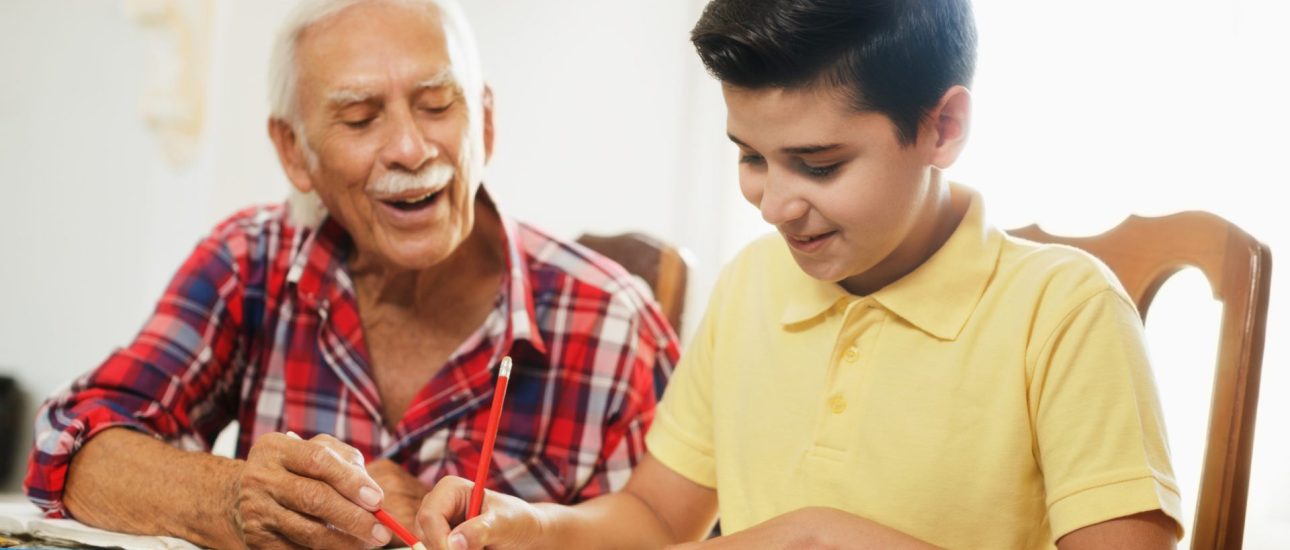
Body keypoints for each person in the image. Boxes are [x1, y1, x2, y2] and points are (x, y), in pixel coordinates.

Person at [413, 0, 1184, 548]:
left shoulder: (1063, 311)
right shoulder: (754, 283)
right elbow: (654, 518)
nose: (774, 204)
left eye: (818, 164)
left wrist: (819, 535)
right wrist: (532, 525)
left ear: (942, 128)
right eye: (750, 156)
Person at [23, 0, 678, 548]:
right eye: (361, 117)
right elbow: (71, 449)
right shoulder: (250, 260)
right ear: (293, 152)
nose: (410, 149)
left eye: (437, 105)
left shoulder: (615, 321)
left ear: (485, 120)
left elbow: (665, 535)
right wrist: (237, 497)